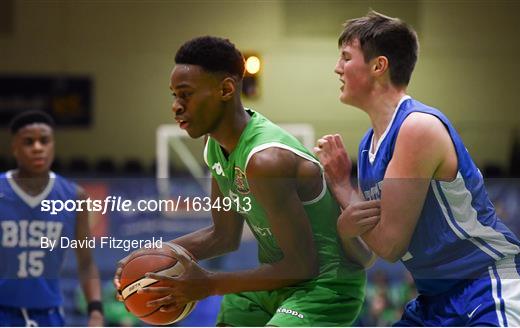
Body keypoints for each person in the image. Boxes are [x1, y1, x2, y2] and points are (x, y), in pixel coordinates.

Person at [114, 36, 376, 326]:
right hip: (275, 284)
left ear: (226, 89)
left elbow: (302, 266)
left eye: (185, 94)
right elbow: (223, 235)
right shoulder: (215, 147)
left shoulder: (266, 161)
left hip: (325, 287)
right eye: (174, 95)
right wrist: (148, 258)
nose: (176, 106)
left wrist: (209, 284)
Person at [314, 11, 520, 326]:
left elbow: (391, 245)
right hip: (434, 298)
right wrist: (346, 231)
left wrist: (341, 187)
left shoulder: (417, 127)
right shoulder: (367, 147)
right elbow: (370, 253)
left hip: (486, 287)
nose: (337, 68)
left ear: (379, 66)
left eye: (346, 58)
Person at [0, 111, 103, 326]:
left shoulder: (75, 196)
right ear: (15, 148)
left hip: (49, 315)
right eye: (28, 142)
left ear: (52, 145)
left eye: (44, 141)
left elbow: (86, 263)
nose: (38, 147)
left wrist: (96, 311)